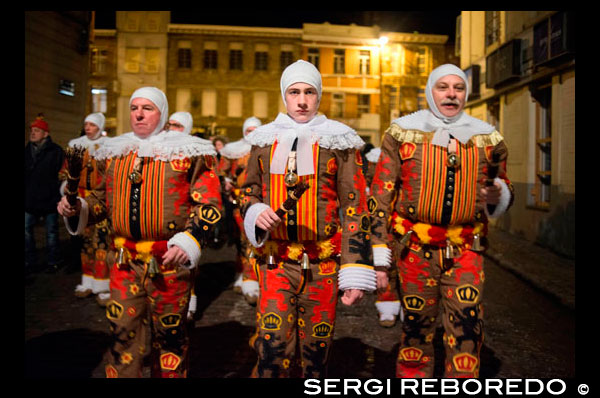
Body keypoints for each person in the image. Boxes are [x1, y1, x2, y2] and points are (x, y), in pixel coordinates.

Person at [57, 87, 223, 378]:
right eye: (135, 108)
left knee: (170, 335)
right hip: (124, 262)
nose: (139, 113)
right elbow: (100, 200)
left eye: (148, 108)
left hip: (170, 262)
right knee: (122, 333)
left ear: (162, 113)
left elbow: (209, 202)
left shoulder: (188, 151)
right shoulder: (116, 152)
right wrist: (78, 208)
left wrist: (191, 238)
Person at [369, 64, 513, 378]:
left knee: (466, 323)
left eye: (458, 88)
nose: (450, 94)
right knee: (417, 325)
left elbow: (504, 183)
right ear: (431, 91)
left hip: (466, 250)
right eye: (443, 87)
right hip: (415, 249)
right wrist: (380, 254)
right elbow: (381, 193)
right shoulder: (402, 132)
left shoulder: (487, 137)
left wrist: (498, 194)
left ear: (466, 93)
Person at [241, 60, 376, 378]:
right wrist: (255, 211)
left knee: (317, 352)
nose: (302, 100)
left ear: (319, 96)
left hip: (323, 265)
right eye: (294, 92)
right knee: (272, 347)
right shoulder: (264, 141)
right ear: (284, 96)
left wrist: (355, 271)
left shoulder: (339, 142)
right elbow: (248, 191)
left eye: (309, 92)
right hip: (275, 263)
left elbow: (355, 206)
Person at [62, 112, 112, 306]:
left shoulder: (109, 146)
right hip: (81, 198)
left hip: (101, 199)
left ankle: (103, 285)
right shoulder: (76, 145)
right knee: (85, 243)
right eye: (87, 125)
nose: (88, 128)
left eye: (92, 125)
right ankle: (88, 281)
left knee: (102, 243)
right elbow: (66, 172)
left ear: (100, 127)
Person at [220, 116, 262, 305]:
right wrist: (226, 183)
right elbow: (221, 171)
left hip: (261, 201)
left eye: (255, 130)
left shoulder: (265, 148)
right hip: (239, 202)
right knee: (241, 240)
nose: (251, 134)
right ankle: (242, 274)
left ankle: (250, 278)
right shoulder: (234, 151)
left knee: (252, 240)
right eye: (248, 130)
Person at [363, 145, 403, 328]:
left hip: (404, 229)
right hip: (383, 231)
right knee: (386, 269)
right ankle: (387, 305)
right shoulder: (370, 190)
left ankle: (409, 306)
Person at [25, 114, 65, 273]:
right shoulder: (27, 151)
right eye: (31, 130)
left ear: (45, 134)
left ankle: (53, 261)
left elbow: (62, 175)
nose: (32, 133)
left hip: (50, 199)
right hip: (30, 199)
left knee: (51, 233)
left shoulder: (56, 151)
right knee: (26, 232)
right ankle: (29, 261)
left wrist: (59, 195)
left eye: (37, 130)